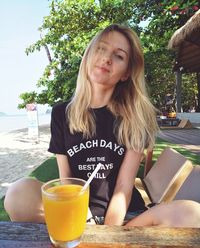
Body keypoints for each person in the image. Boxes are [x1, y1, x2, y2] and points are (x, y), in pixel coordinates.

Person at [4, 24, 200, 227]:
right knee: (18, 193)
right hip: (77, 214)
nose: (107, 58)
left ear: (125, 73)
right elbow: (67, 180)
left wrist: (109, 233)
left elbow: (124, 187)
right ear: (88, 56)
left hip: (126, 217)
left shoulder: (134, 118)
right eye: (101, 48)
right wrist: (84, 219)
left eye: (119, 56)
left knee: (192, 213)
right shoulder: (61, 113)